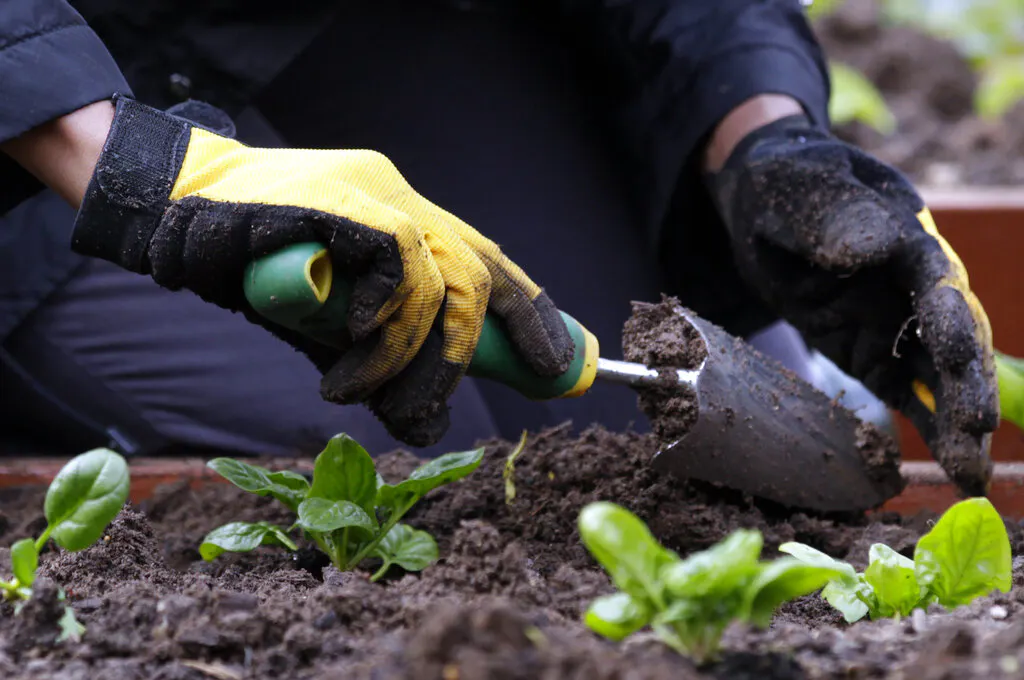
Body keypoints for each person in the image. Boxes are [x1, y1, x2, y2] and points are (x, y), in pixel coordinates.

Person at [0, 0, 999, 496]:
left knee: (664, 455)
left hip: (359, 27)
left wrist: (765, 144)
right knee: (391, 462)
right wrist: (131, 165)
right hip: (46, 115)